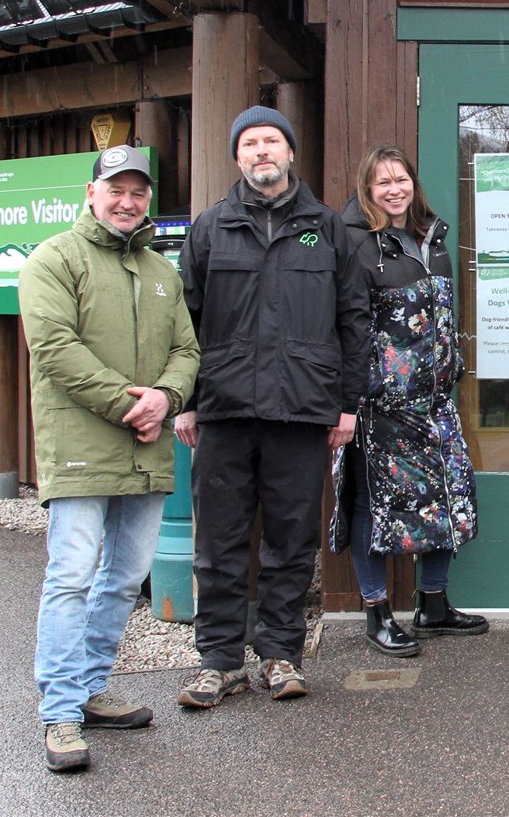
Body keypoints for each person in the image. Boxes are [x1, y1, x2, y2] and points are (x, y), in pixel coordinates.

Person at [174, 106, 366, 707]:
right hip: (224, 408)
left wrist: (347, 404)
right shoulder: (210, 228)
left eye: (272, 141)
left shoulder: (328, 228)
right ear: (238, 157)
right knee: (220, 542)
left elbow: (353, 320)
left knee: (290, 540)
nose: (262, 151)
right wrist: (185, 400)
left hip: (302, 408)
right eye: (250, 143)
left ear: (290, 153)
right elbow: (183, 322)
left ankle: (281, 655)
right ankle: (219, 662)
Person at [19, 144, 199, 772]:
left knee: (124, 578)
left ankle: (90, 689)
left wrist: (168, 395)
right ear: (91, 193)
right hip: (81, 449)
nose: (127, 202)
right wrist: (135, 405)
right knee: (71, 576)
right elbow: (53, 347)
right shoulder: (54, 258)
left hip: (145, 453)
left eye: (138, 192)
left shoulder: (160, 270)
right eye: (116, 189)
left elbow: (187, 349)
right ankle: (61, 713)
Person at [332, 143, 485, 657]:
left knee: (445, 494)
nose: (394, 189)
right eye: (383, 182)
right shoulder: (357, 245)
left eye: (402, 179)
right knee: (374, 507)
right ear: (367, 190)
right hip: (382, 408)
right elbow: (349, 328)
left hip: (437, 403)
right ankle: (376, 613)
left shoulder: (432, 237)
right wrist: (352, 400)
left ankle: (433, 606)